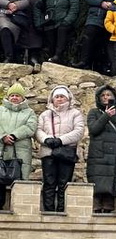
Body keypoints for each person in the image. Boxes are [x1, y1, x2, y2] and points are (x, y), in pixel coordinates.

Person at [36, 85, 84, 214]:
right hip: (48, 152)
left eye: (62, 96)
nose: (59, 99)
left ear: (68, 98)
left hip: (66, 151)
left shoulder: (75, 114)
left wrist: (61, 140)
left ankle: (62, 211)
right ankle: (49, 211)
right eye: (57, 97)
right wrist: (46, 139)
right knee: (49, 182)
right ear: (52, 99)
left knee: (64, 183)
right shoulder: (45, 115)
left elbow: (79, 131)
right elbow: (38, 130)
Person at [85, 85, 116, 214]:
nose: (105, 97)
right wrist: (106, 116)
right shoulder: (94, 113)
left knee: (113, 183)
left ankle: (109, 205)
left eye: (108, 95)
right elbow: (94, 129)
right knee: (97, 183)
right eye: (103, 95)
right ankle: (96, 205)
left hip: (114, 156)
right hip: (98, 154)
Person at [35, 0, 81, 66]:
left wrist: (67, 20)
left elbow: (74, 7)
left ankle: (58, 55)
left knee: (62, 31)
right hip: (49, 20)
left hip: (64, 21)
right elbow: (38, 6)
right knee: (49, 35)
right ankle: (52, 58)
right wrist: (39, 21)